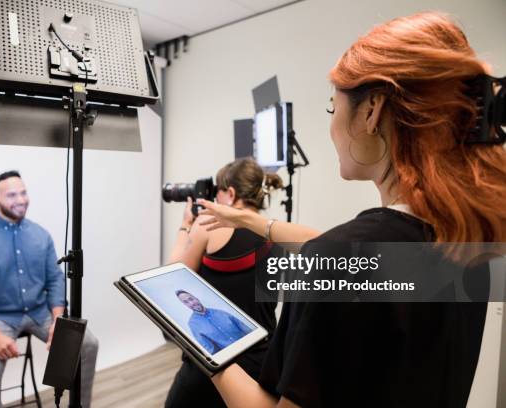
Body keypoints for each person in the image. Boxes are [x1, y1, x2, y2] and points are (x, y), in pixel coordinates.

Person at [193, 12, 505, 408]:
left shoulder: (342, 258)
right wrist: (248, 220)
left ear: (372, 110)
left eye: (331, 107)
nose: (332, 125)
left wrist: (210, 348)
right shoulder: (470, 240)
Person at [0, 171, 99, 408]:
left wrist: (58, 321)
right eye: (11, 195)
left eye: (23, 192)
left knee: (87, 344)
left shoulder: (40, 235)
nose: (20, 200)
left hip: (39, 311)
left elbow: (54, 279)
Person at [165, 158, 300, 408]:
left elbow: (174, 275)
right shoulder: (279, 237)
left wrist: (185, 226)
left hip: (212, 368)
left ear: (231, 193)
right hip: (262, 365)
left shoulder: (208, 225)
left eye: (218, 191)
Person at [175, 289, 253, 354]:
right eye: (186, 302)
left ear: (196, 298)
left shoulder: (221, 312)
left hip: (250, 346)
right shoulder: (193, 324)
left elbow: (246, 329)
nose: (191, 303)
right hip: (232, 357)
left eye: (191, 299)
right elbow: (211, 350)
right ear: (185, 305)